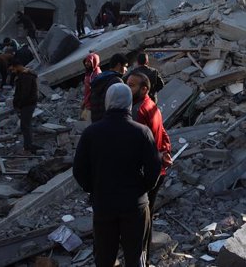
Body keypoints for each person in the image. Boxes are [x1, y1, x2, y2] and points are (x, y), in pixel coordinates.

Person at [73, 84, 161, 267]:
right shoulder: (142, 132)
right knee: (135, 255)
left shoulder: (91, 133)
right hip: (134, 204)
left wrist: (93, 188)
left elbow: (79, 170)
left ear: (107, 102)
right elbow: (154, 169)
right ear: (129, 103)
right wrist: (141, 189)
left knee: (104, 256)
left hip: (104, 203)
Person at [125, 72, 172, 263]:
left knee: (139, 216)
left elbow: (136, 146)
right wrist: (166, 151)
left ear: (144, 89)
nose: (128, 88)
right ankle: (144, 253)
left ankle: (140, 254)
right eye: (127, 84)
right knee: (147, 213)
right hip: (156, 168)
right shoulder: (152, 106)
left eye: (132, 85)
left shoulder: (138, 111)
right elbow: (163, 133)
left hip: (147, 171)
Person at [89, 53, 128, 123]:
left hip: (96, 122)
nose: (126, 69)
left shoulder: (99, 78)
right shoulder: (117, 81)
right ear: (119, 65)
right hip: (109, 122)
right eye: (125, 66)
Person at [10, 58, 38, 154]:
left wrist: (19, 104)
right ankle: (28, 145)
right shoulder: (24, 75)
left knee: (25, 125)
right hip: (27, 104)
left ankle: (28, 146)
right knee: (26, 125)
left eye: (13, 69)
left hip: (27, 104)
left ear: (17, 67)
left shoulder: (25, 77)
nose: (13, 72)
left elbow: (24, 93)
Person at [81, 52, 102, 122]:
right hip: (88, 102)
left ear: (95, 62)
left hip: (93, 104)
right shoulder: (89, 72)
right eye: (86, 61)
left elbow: (94, 91)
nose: (86, 63)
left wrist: (86, 101)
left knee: (90, 122)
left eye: (89, 62)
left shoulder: (97, 74)